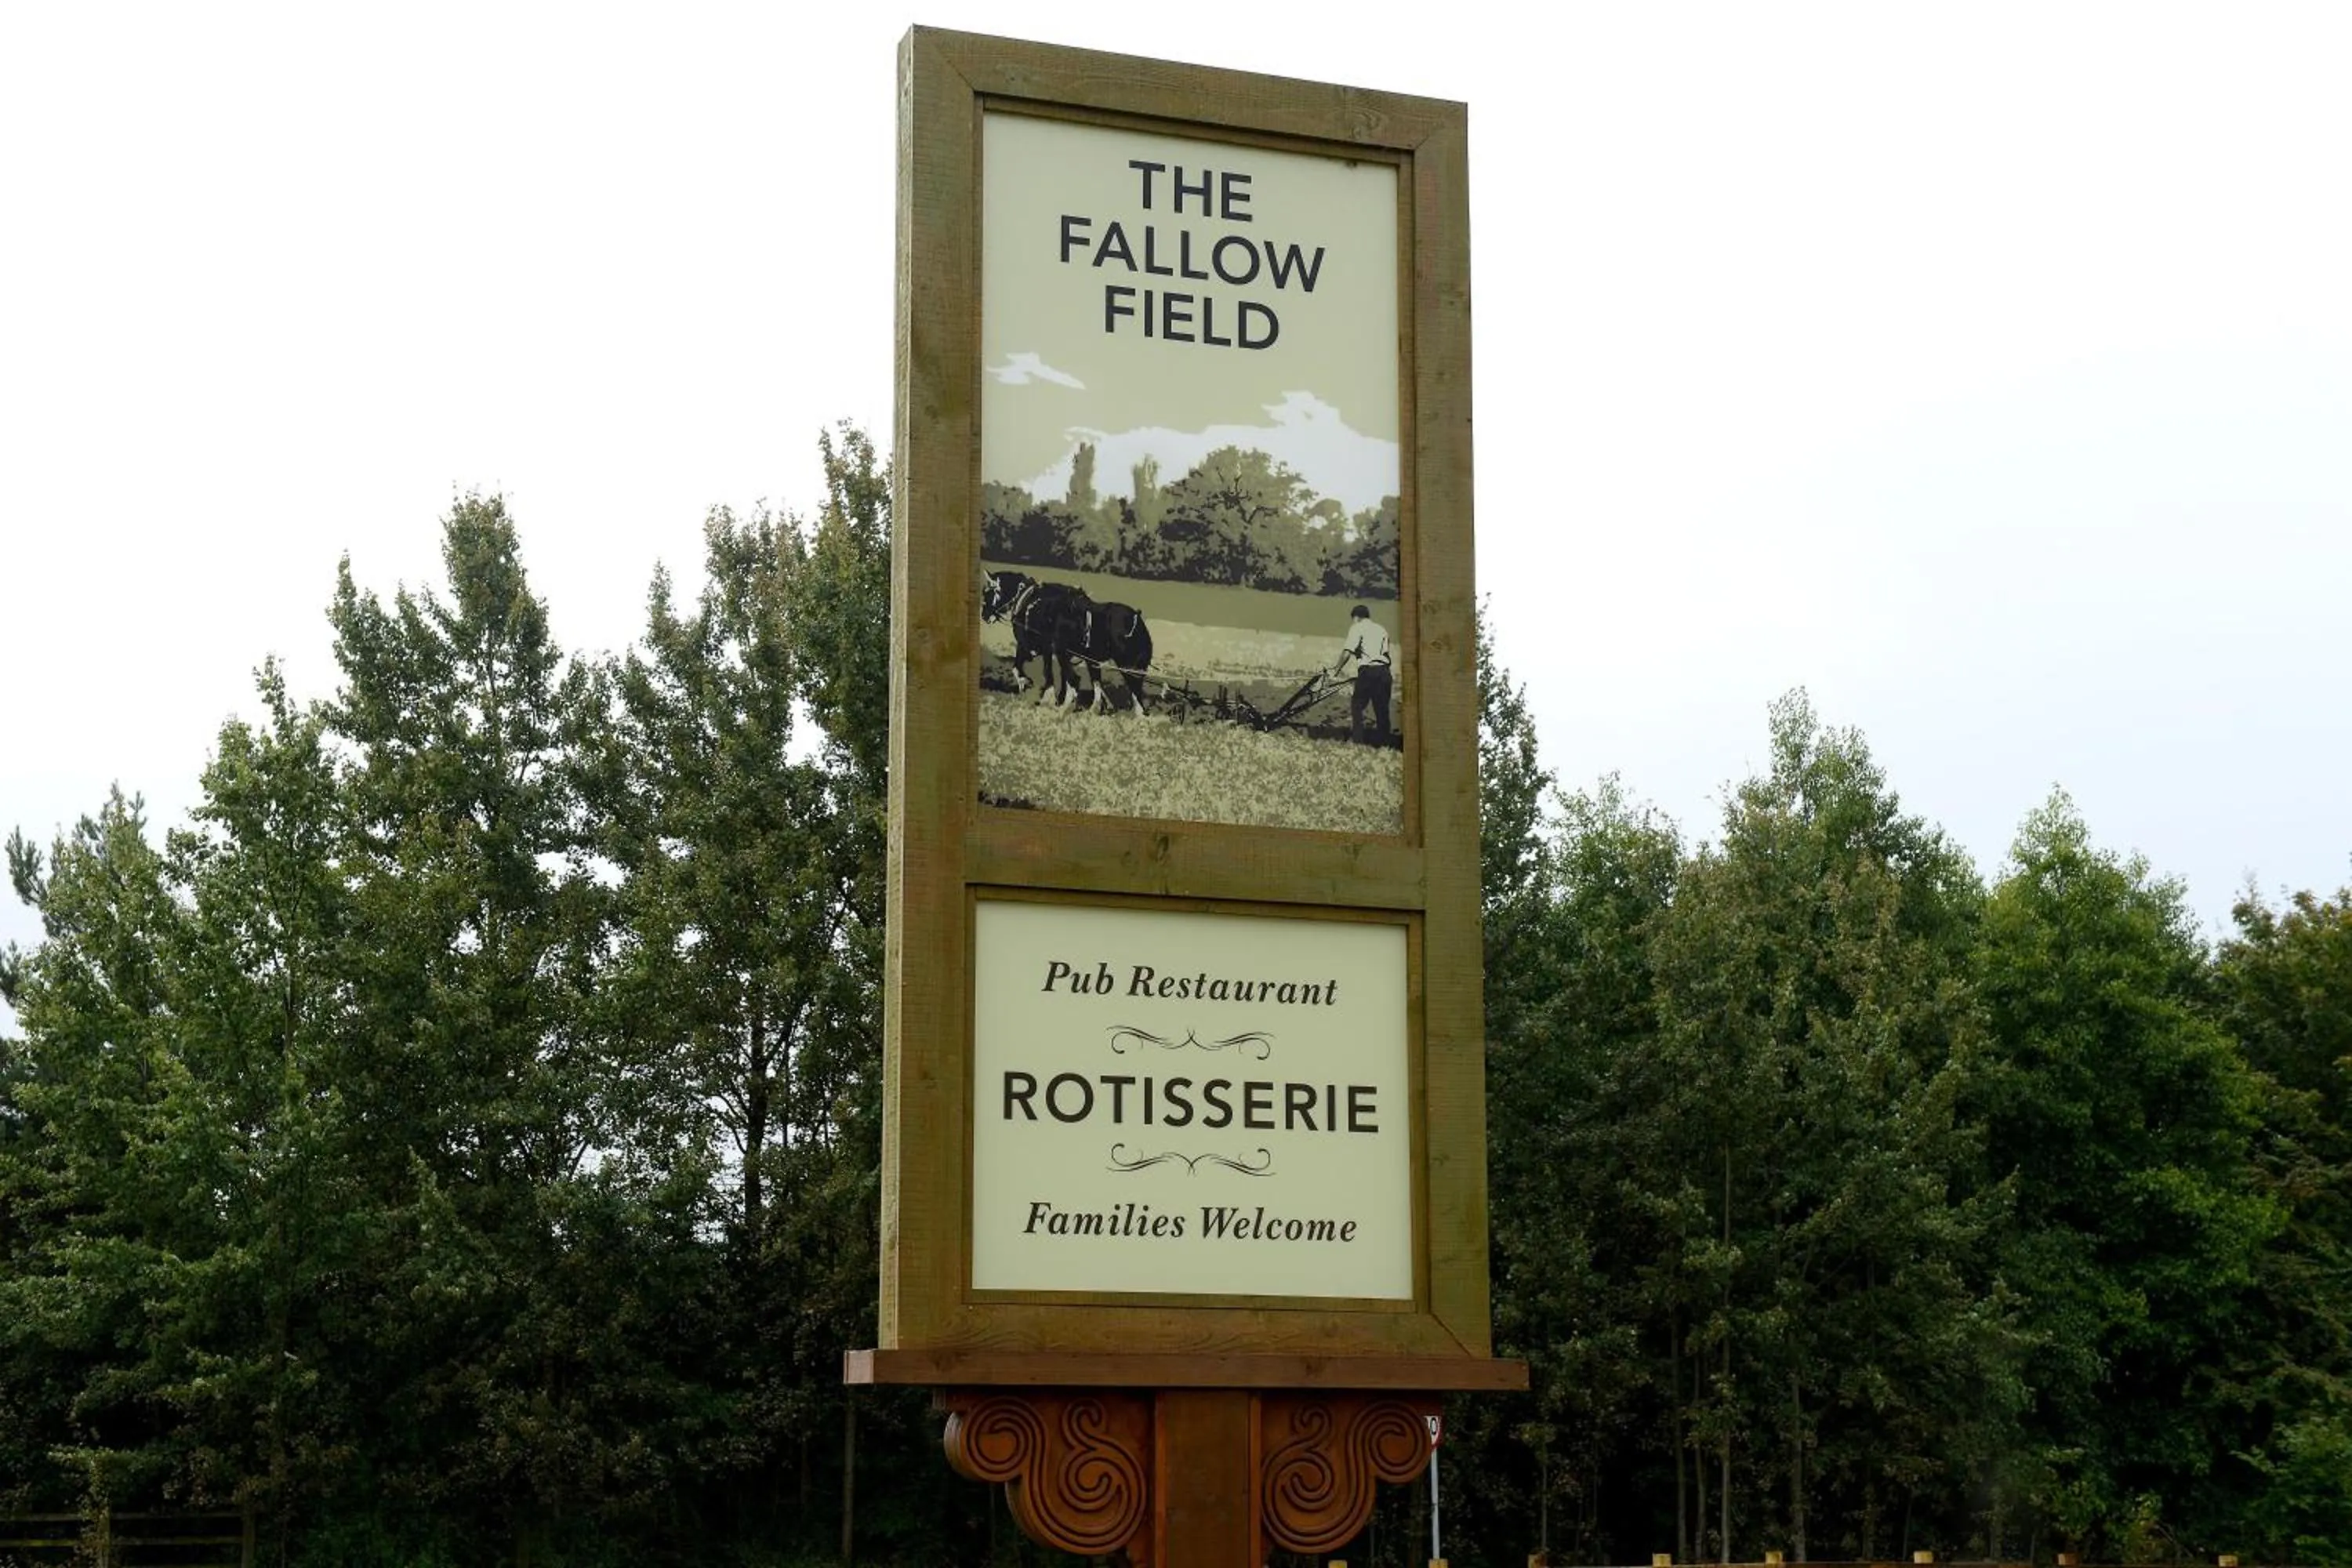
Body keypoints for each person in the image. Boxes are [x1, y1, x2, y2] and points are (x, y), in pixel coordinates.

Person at [1332, 603, 1392, 746]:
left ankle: (1358, 741)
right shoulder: (1382, 629)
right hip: (1384, 672)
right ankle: (1385, 744)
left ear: (1356, 617)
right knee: (1382, 709)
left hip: (1368, 672)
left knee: (1357, 706)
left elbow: (1348, 651)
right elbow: (1384, 653)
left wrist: (1336, 671)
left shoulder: (1357, 627)